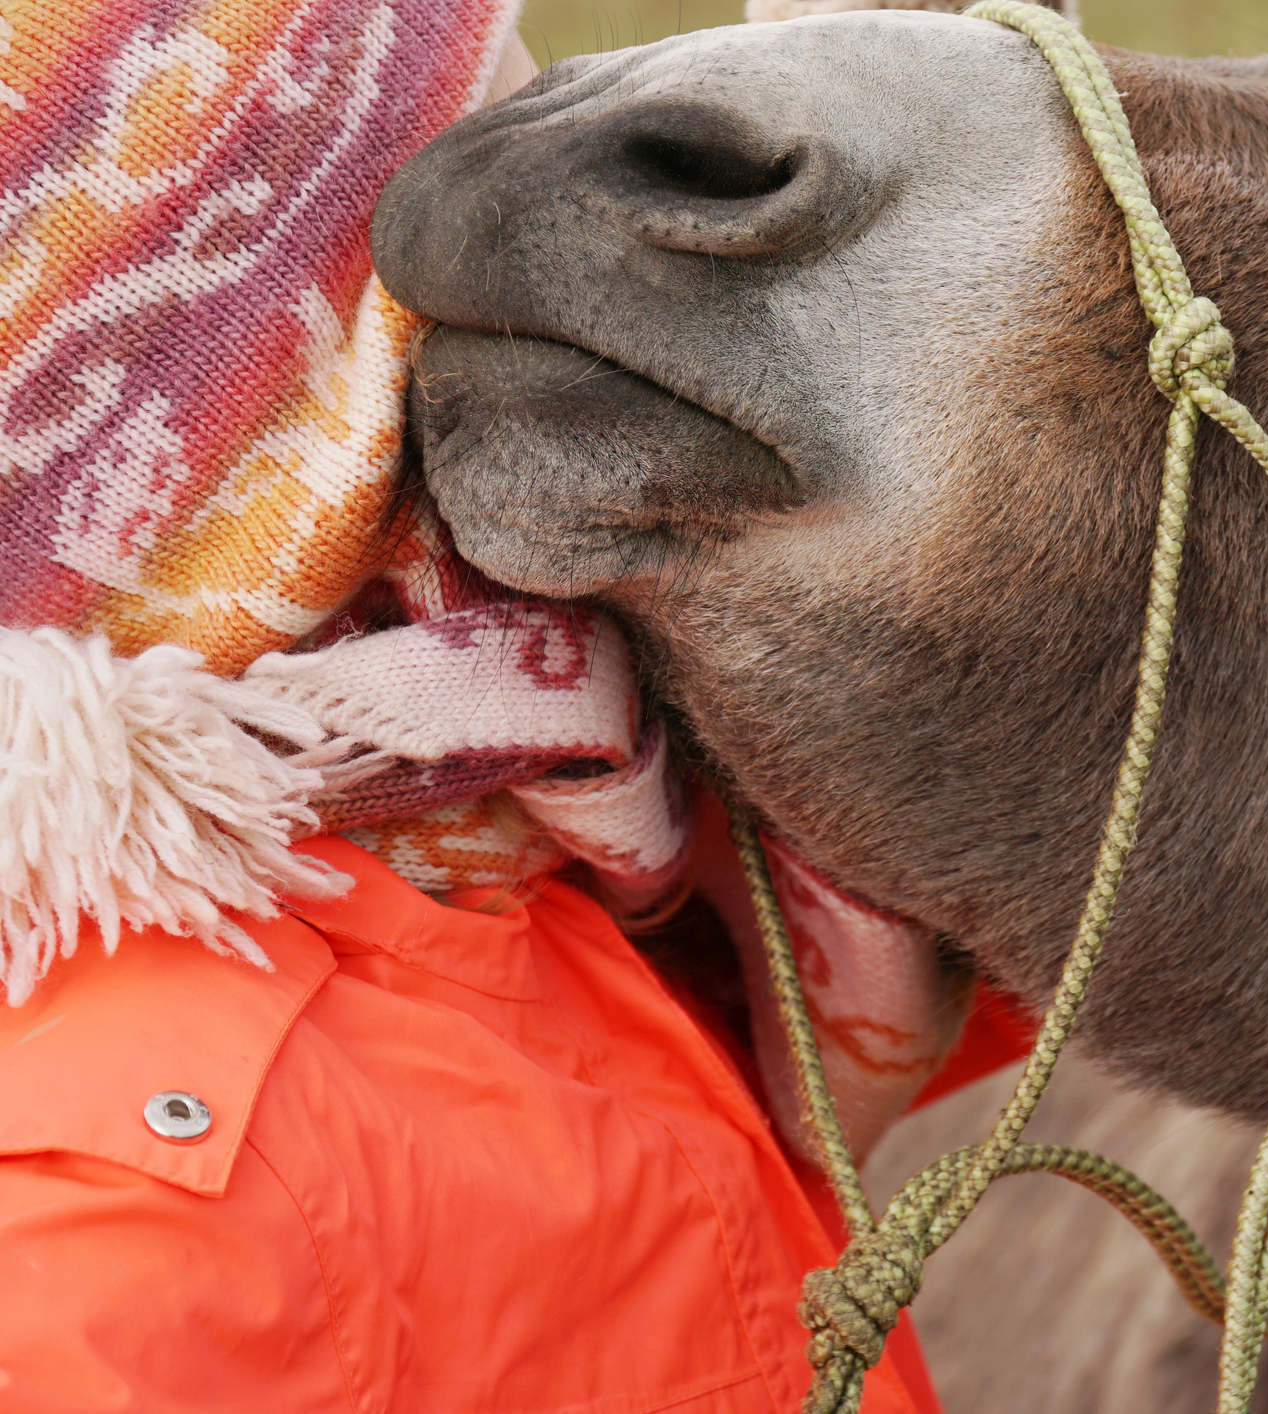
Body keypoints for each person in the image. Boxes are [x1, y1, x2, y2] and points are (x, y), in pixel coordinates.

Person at [0, 1, 1029, 1407]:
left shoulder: (556, 847)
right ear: (285, 432)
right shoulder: (106, 1239)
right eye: (496, 287)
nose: (621, 330)